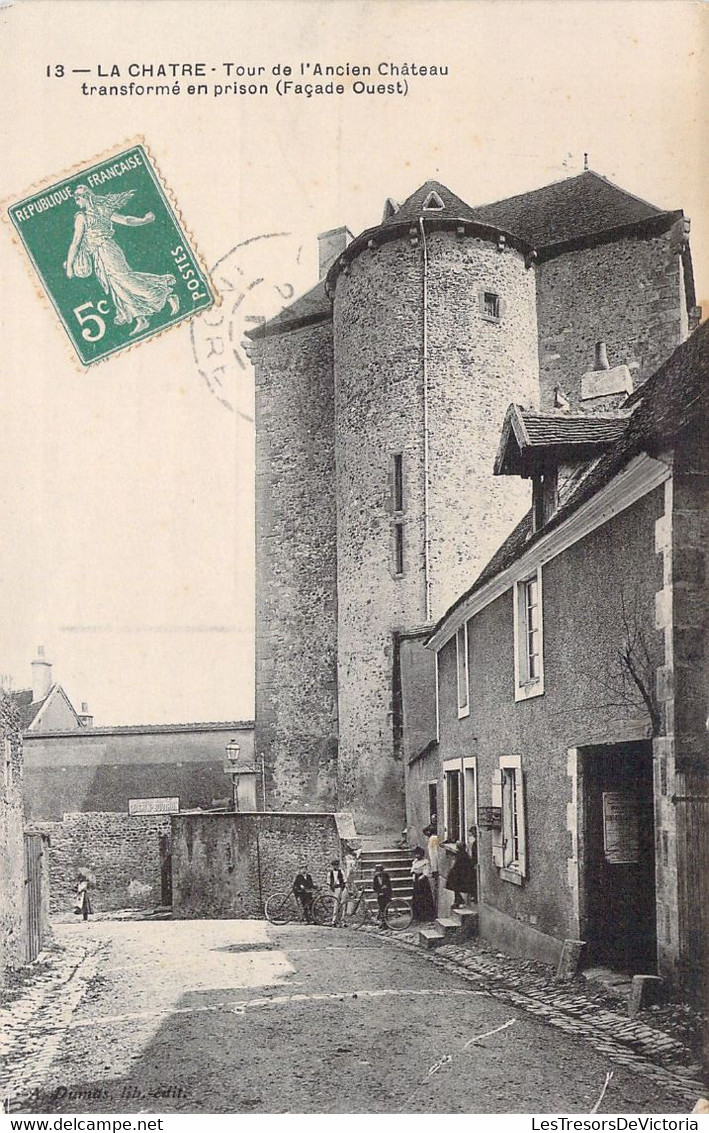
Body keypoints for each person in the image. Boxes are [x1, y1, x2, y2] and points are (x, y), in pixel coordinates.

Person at [65, 184, 179, 336]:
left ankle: (165, 295)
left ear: (87, 197)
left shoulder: (85, 216)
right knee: (117, 287)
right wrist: (144, 220)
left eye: (78, 198)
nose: (76, 201)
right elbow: (126, 220)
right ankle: (141, 319)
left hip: (107, 250)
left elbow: (76, 241)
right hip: (100, 255)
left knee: (125, 280)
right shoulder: (95, 212)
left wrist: (69, 267)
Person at [445, 840, 477, 908]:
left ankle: (459, 900)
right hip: (460, 874)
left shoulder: (461, 855)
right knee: (455, 887)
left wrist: (452, 872)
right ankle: (457, 900)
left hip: (462, 875)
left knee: (454, 885)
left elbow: (458, 866)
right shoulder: (462, 854)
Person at [410, 846, 436, 922]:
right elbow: (413, 870)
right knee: (416, 898)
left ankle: (426, 916)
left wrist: (422, 877)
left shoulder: (425, 862)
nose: (417, 856)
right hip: (416, 881)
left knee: (424, 898)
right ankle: (417, 916)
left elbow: (426, 872)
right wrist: (414, 875)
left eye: (418, 854)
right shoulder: (415, 862)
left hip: (423, 882)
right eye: (416, 854)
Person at [423, 822, 440, 908]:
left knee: (433, 853)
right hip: (435, 865)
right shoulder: (432, 837)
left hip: (435, 865)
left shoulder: (433, 839)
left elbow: (434, 855)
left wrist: (434, 869)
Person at [372, 862, 393, 927]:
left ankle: (385, 922)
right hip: (380, 894)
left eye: (380, 871)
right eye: (377, 871)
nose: (378, 873)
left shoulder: (386, 875)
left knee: (385, 907)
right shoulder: (376, 878)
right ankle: (382, 921)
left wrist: (385, 888)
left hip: (386, 893)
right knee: (381, 907)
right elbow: (375, 887)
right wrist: (379, 891)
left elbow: (389, 885)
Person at [328, 859, 346, 927]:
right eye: (334, 865)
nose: (336, 866)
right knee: (336, 905)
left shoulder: (341, 872)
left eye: (337, 865)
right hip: (335, 889)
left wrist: (344, 889)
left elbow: (345, 881)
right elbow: (328, 883)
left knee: (343, 905)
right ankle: (334, 921)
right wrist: (330, 892)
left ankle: (342, 921)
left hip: (342, 888)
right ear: (332, 866)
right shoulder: (330, 873)